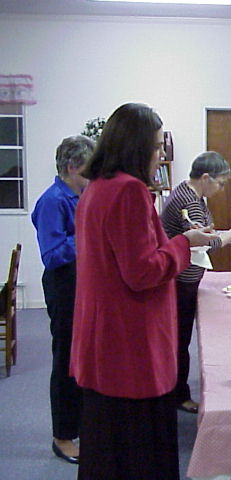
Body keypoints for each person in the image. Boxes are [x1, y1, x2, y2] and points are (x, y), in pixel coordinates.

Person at [70, 103, 219, 480]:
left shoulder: (97, 187)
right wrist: (184, 243)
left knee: (105, 449)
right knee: (138, 452)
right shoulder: (128, 191)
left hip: (104, 338)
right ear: (135, 147)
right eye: (155, 147)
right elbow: (142, 271)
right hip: (129, 343)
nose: (159, 155)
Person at [161, 151, 231, 414]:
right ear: (206, 178)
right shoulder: (190, 202)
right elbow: (203, 243)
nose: (221, 189)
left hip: (183, 276)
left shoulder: (188, 193)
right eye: (220, 183)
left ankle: (175, 392)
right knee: (179, 341)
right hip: (180, 279)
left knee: (179, 340)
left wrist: (223, 235)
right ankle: (177, 395)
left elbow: (201, 234)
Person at [31, 135, 95, 465]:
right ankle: (62, 437)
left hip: (82, 285)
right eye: (88, 170)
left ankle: (81, 426)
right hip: (63, 286)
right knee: (65, 362)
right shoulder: (52, 201)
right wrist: (87, 235)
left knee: (82, 360)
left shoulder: (79, 195)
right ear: (71, 167)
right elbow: (52, 255)